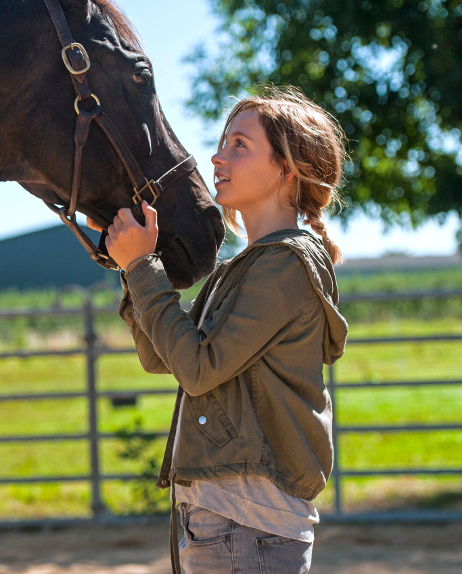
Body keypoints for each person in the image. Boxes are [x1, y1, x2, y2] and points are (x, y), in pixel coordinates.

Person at [87, 85, 349, 573]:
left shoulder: (286, 265)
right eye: (223, 142)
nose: (216, 156)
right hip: (220, 522)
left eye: (239, 146)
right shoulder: (245, 267)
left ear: (287, 171)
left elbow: (198, 369)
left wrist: (145, 267)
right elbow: (158, 356)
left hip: (245, 527)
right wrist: (132, 268)